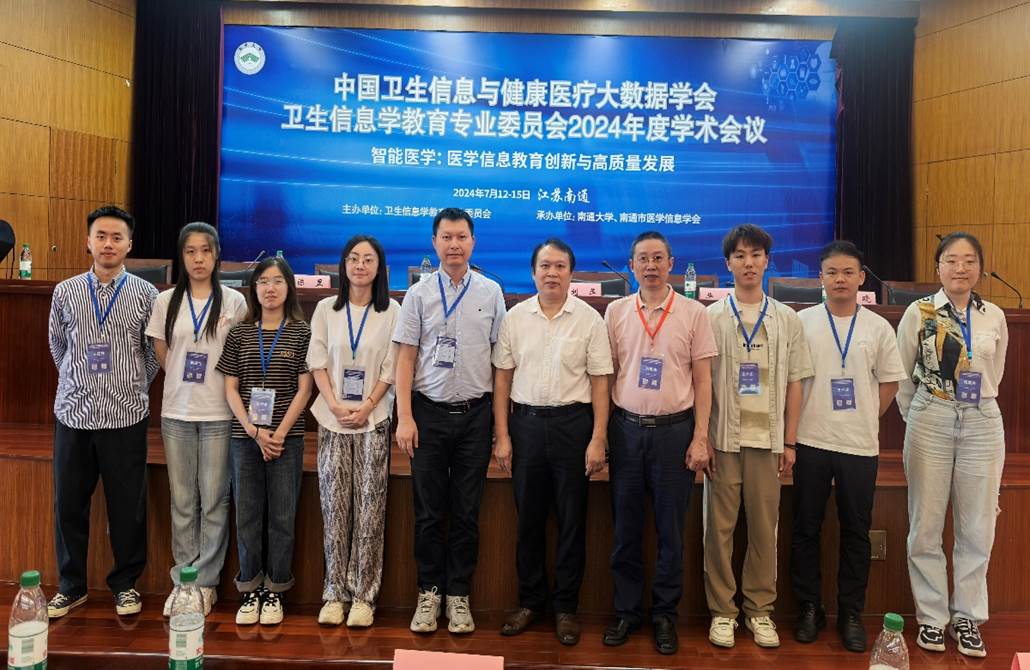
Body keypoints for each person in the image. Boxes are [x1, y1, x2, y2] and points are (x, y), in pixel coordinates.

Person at [601, 231, 717, 655]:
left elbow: (703, 381)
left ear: (671, 264)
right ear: (631, 266)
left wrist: (701, 437)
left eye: (657, 258)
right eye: (642, 259)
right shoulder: (616, 312)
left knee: (671, 531)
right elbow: (608, 376)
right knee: (625, 529)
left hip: (674, 433)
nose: (650, 266)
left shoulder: (693, 313)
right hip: (626, 431)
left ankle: (665, 615)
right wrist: (603, 434)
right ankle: (627, 612)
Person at [392, 207, 507, 634]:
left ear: (472, 242)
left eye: (461, 237)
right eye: (446, 237)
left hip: (475, 416)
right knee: (427, 512)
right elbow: (405, 359)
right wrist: (405, 417)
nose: (454, 244)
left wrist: (499, 428)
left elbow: (499, 363)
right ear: (434, 242)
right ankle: (429, 593)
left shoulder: (491, 292)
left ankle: (459, 595)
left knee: (466, 511)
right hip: (427, 415)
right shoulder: (418, 294)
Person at [492, 239, 611, 646]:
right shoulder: (515, 318)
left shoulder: (590, 320)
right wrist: (503, 436)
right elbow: (502, 379)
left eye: (560, 266)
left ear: (571, 273)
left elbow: (600, 383)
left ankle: (565, 609)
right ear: (533, 272)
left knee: (572, 522)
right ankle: (530, 602)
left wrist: (598, 438)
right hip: (525, 426)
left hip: (572, 427)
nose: (552, 273)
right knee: (528, 521)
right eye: (545, 266)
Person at [791, 241, 907, 652]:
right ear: (820, 278)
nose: (839, 279)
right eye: (831, 272)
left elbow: (890, 382)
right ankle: (809, 607)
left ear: (861, 278)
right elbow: (791, 381)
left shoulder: (878, 327)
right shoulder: (802, 322)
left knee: (856, 531)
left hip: (859, 446)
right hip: (810, 440)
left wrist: (864, 417)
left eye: (847, 273)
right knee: (805, 528)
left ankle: (851, 612)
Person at [897, 232, 1008, 658]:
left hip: (983, 420)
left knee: (978, 525)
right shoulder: (919, 312)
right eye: (951, 260)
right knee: (925, 523)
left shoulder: (994, 315)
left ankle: (967, 617)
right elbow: (903, 374)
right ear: (937, 267)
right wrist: (921, 415)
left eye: (969, 260)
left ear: (980, 267)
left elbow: (996, 371)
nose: (960, 268)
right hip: (932, 416)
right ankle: (931, 617)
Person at [46, 205, 159, 619]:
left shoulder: (146, 295)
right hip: (73, 414)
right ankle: (71, 586)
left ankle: (125, 584)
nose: (108, 244)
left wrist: (130, 385)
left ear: (129, 244)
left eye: (116, 237)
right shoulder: (66, 291)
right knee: (68, 504)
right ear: (88, 241)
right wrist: (79, 381)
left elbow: (152, 354)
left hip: (125, 417)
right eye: (101, 236)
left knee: (127, 506)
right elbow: (58, 346)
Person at [704, 224, 813, 649]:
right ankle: (722, 612)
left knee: (765, 530)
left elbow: (796, 382)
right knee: (719, 530)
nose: (748, 263)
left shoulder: (787, 319)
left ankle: (759, 610)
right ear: (728, 263)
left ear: (767, 261)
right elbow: (701, 382)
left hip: (768, 442)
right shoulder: (711, 316)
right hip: (723, 440)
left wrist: (790, 441)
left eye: (755, 255)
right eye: (740, 256)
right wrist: (703, 437)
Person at [146, 222, 248, 617]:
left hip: (219, 412)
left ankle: (206, 583)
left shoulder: (234, 302)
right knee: (184, 500)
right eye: (190, 251)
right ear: (182, 256)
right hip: (177, 412)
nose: (198, 259)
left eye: (205, 250)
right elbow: (162, 351)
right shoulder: (165, 300)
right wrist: (180, 380)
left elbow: (240, 354)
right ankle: (183, 580)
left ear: (217, 254)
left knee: (215, 499)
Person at [308, 235, 400, 628]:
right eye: (353, 258)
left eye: (368, 259)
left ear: (379, 268)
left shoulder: (392, 310)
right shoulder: (326, 309)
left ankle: (364, 595)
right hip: (332, 420)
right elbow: (317, 361)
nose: (360, 265)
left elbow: (392, 367)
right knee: (334, 508)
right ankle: (334, 592)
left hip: (372, 420)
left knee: (369, 509)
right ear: (343, 265)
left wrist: (366, 406)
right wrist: (333, 404)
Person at [216, 256, 312, 626]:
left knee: (282, 516)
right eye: (263, 282)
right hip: (245, 438)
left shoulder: (301, 332)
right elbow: (230, 388)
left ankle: (276, 589)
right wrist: (255, 432)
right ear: (253, 288)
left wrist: (279, 433)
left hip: (287, 439)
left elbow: (305, 389)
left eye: (277, 281)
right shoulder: (240, 333)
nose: (270, 288)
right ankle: (250, 587)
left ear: (289, 287)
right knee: (248, 514)